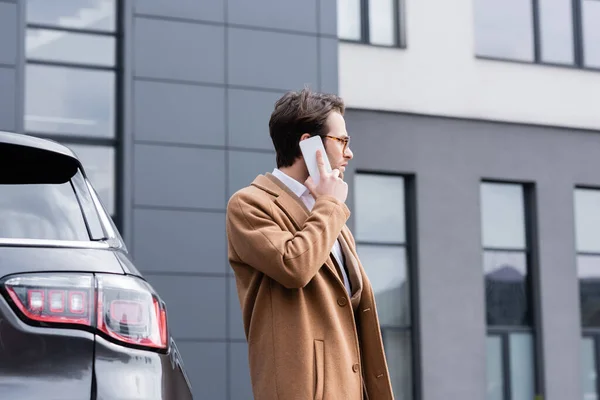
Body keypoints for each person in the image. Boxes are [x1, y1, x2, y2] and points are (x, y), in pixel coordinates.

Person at [226, 88, 394, 399]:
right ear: (308, 144)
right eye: (341, 141)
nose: (349, 153)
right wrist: (328, 204)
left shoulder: (331, 217)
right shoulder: (250, 205)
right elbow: (294, 266)